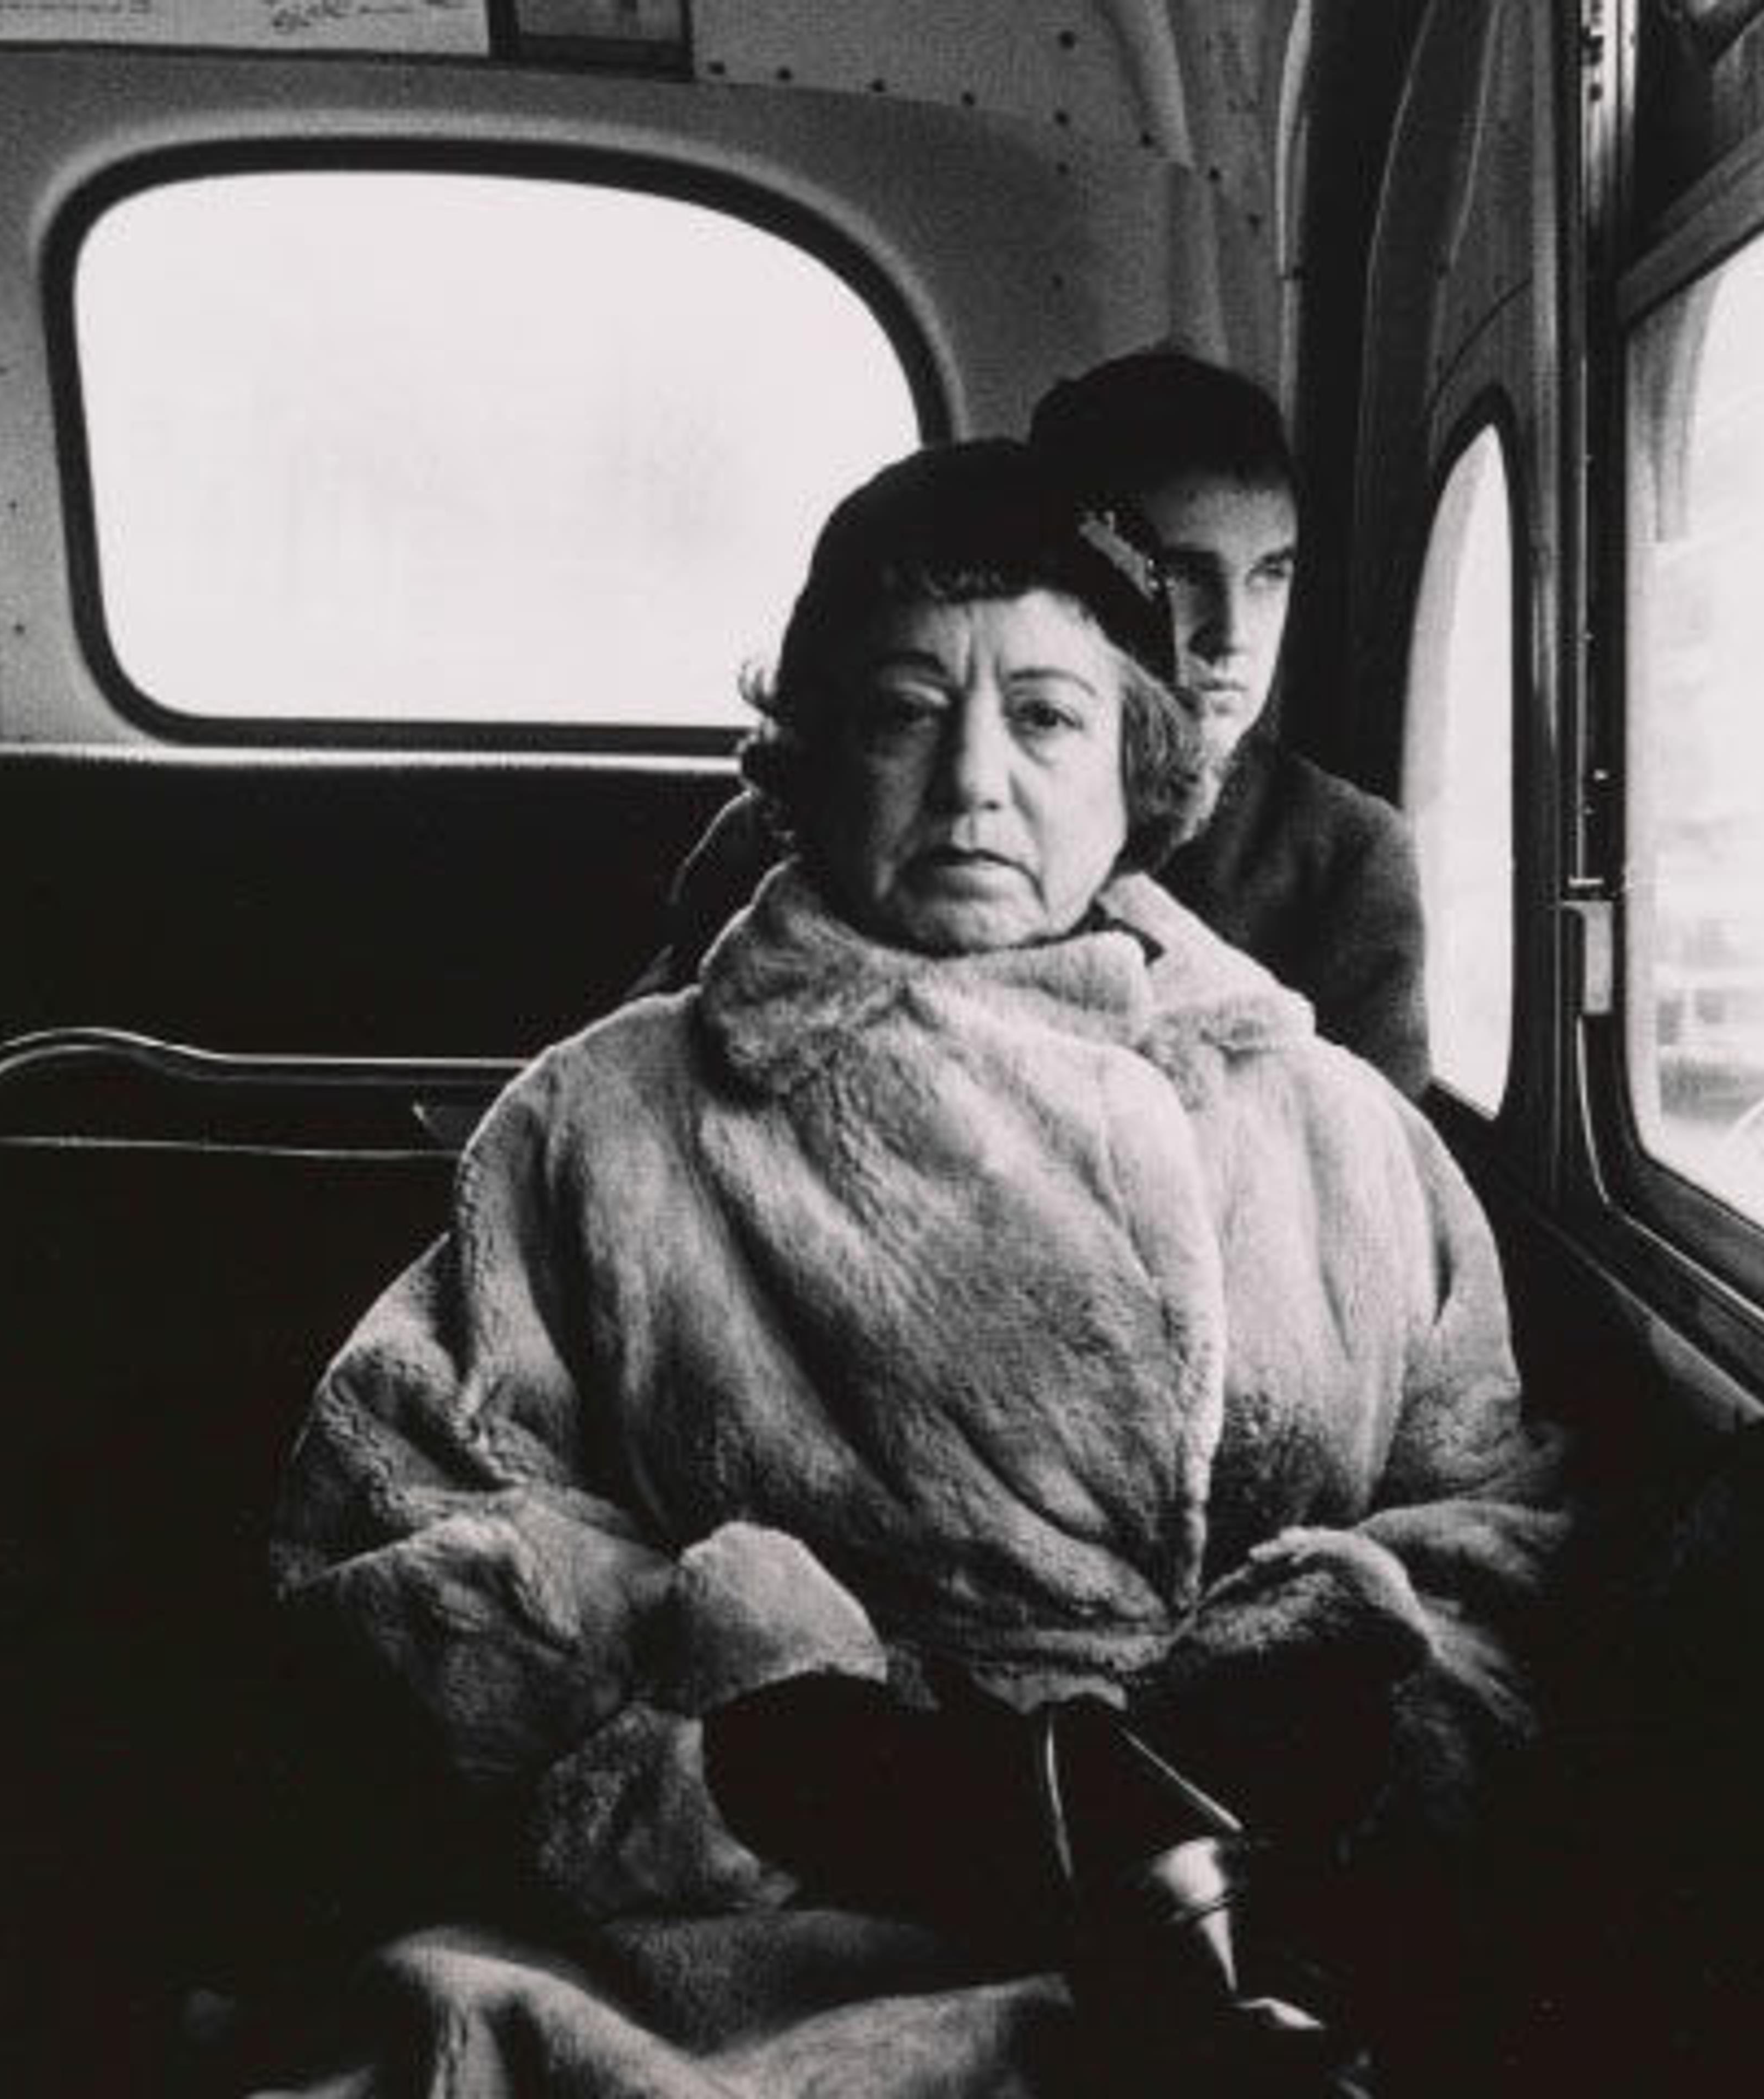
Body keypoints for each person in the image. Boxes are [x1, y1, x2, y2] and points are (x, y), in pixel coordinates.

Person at [269, 441, 1563, 2099]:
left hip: (1237, 1913)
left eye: (1044, 717)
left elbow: (1504, 1526)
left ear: (1139, 768)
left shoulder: (1325, 1122)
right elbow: (394, 1518)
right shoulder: (605, 1114)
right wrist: (779, 1757)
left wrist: (1324, 1703)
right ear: (804, 763)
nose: (972, 786)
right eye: (900, 714)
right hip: (741, 1937)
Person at [639, 349, 1431, 1098]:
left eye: (1270, 576)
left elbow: (1360, 1179)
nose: (1233, 633)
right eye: (1181, 574)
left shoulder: (1343, 859)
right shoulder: (792, 836)